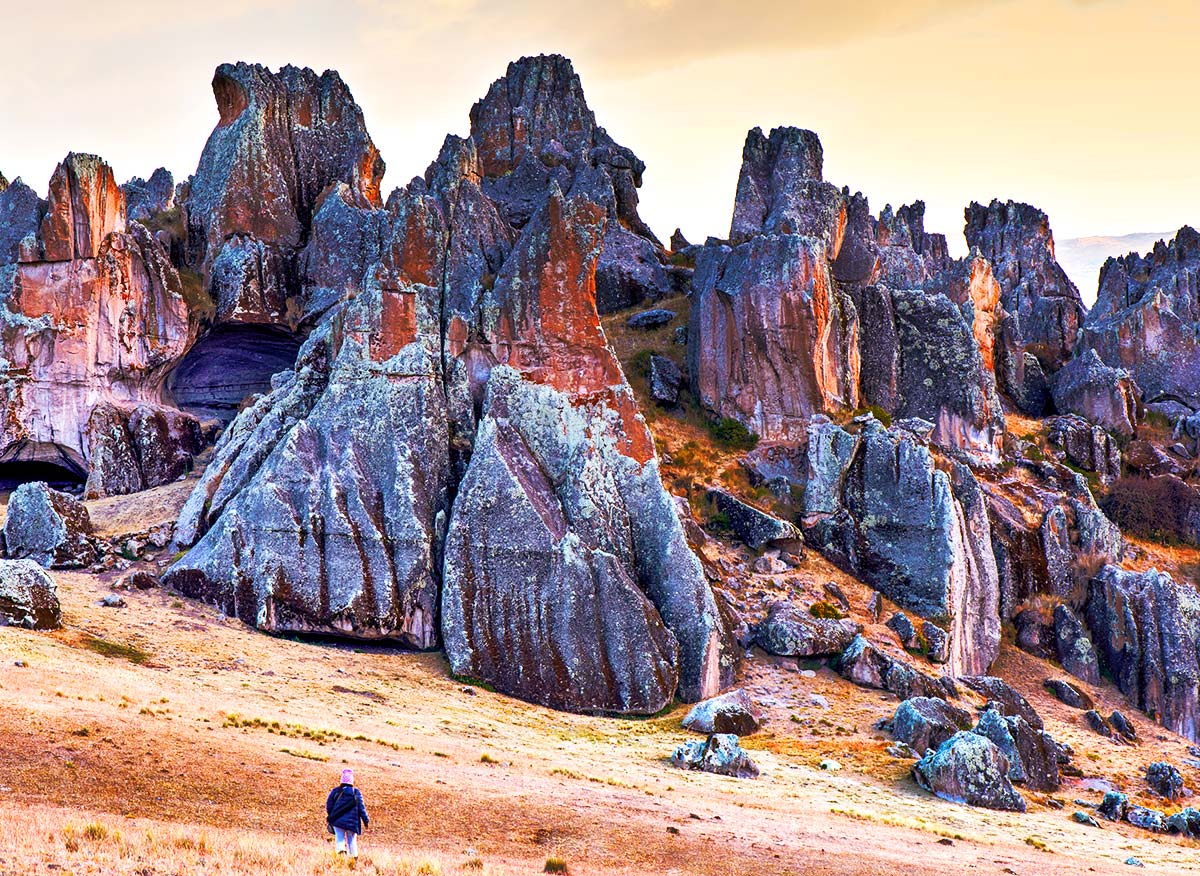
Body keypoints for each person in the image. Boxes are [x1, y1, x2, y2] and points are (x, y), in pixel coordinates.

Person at [326, 768, 369, 857]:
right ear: (352, 781)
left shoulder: (336, 791)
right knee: (352, 841)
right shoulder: (356, 793)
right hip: (352, 823)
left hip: (338, 821)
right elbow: (362, 808)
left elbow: (329, 805)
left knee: (339, 839)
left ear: (341, 780)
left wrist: (332, 815)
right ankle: (353, 859)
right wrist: (366, 820)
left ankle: (341, 856)